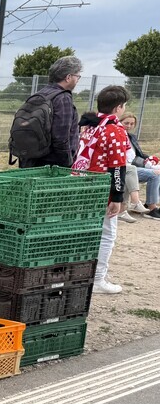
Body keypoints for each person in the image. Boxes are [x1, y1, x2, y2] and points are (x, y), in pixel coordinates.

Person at [74, 85, 129, 295]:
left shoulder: (90, 126)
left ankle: (80, 274)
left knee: (85, 233)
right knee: (107, 234)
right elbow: (118, 165)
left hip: (82, 185)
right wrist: (117, 196)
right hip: (101, 188)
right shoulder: (114, 130)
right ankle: (97, 279)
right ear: (118, 107)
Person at [18, 56, 83, 168]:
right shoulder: (63, 98)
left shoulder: (40, 94)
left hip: (31, 159)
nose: (77, 80)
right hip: (52, 166)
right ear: (68, 77)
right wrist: (66, 163)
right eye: (77, 76)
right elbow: (61, 138)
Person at [118, 112, 160, 220]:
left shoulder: (132, 137)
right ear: (120, 122)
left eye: (132, 124)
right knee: (154, 175)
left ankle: (150, 204)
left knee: (157, 172)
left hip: (134, 166)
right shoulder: (117, 135)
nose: (129, 126)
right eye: (126, 123)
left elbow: (138, 154)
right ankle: (151, 208)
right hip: (125, 167)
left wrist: (150, 159)